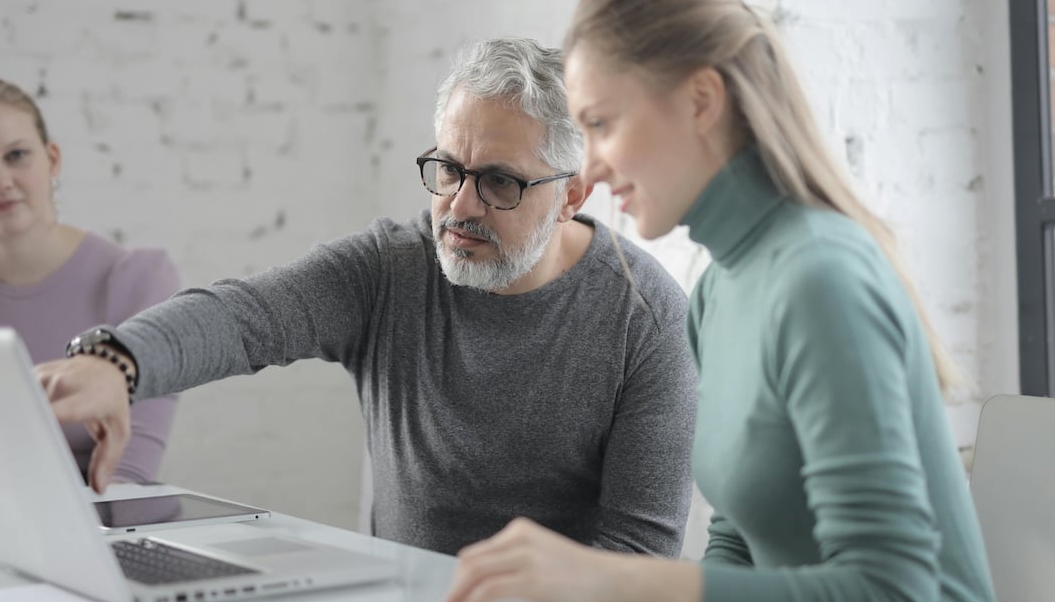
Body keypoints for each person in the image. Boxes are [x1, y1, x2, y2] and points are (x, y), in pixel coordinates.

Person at [441, 0, 1002, 602]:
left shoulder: (821, 279)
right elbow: (741, 543)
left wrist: (613, 580)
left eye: (604, 124)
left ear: (702, 100)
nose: (589, 167)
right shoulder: (713, 294)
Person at [38, 38, 698, 557]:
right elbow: (247, 317)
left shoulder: (649, 320)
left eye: (499, 181)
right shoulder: (391, 268)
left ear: (573, 195)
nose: (459, 206)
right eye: (448, 170)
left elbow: (639, 553)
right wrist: (116, 360)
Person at [0, 78, 180, 500]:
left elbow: (128, 474)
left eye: (16, 155)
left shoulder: (135, 279)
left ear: (52, 158)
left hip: (94, 521)